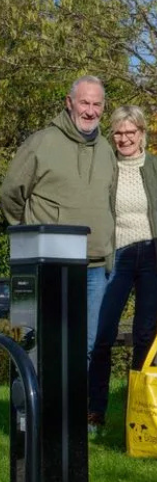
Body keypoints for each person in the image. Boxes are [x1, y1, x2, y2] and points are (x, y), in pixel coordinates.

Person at [0, 75, 116, 362]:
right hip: (49, 266)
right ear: (69, 103)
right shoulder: (41, 143)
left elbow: (110, 203)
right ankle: (37, 406)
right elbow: (10, 194)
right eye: (84, 102)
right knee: (39, 345)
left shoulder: (106, 150)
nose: (90, 111)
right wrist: (27, 236)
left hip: (95, 267)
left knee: (87, 347)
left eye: (97, 104)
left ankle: (75, 408)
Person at [87, 106, 157, 432]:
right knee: (102, 336)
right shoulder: (106, 168)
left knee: (145, 336)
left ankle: (138, 412)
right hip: (118, 257)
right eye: (119, 133)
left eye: (130, 132)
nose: (124, 138)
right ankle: (95, 411)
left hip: (152, 253)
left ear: (141, 133)